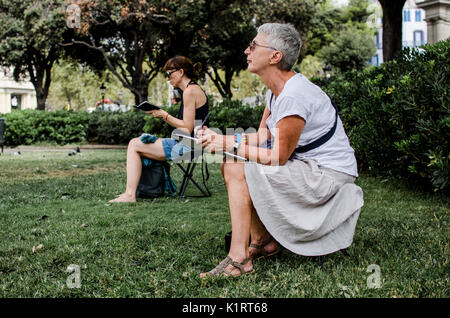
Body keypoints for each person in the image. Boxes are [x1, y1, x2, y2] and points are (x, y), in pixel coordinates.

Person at [196, 23, 364, 277]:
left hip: (328, 176)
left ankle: (239, 257)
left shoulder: (293, 95)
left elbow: (277, 156)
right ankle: (263, 241)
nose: (246, 50)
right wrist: (223, 138)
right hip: (309, 167)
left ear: (275, 56)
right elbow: (263, 136)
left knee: (234, 161)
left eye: (253, 45)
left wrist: (229, 145)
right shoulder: (275, 92)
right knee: (230, 160)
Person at [110, 56, 209, 203]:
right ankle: (143, 191)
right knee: (138, 143)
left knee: (134, 145)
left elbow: (187, 128)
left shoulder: (190, 92)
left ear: (180, 72)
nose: (168, 78)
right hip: (191, 144)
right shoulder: (191, 90)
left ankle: (130, 195)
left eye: (169, 74)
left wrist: (164, 115)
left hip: (188, 146)